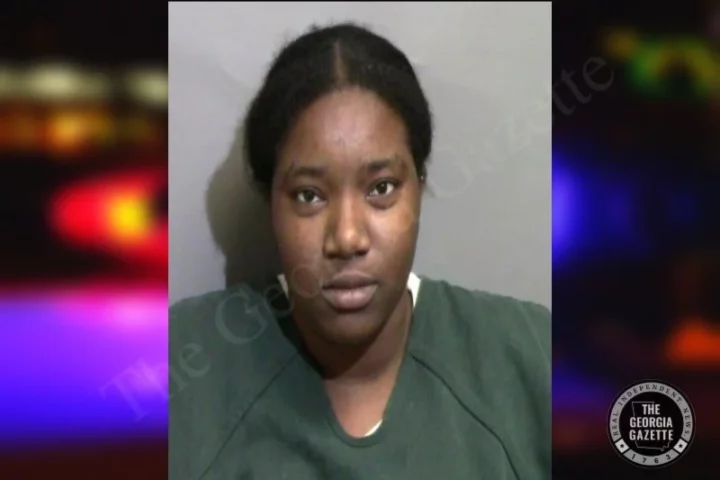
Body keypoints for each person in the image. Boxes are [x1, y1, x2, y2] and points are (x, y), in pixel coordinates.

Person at [169, 22, 550, 480]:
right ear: (270, 202)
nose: (347, 238)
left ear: (420, 186)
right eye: (309, 195)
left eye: (381, 188)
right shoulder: (179, 369)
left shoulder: (533, 359)